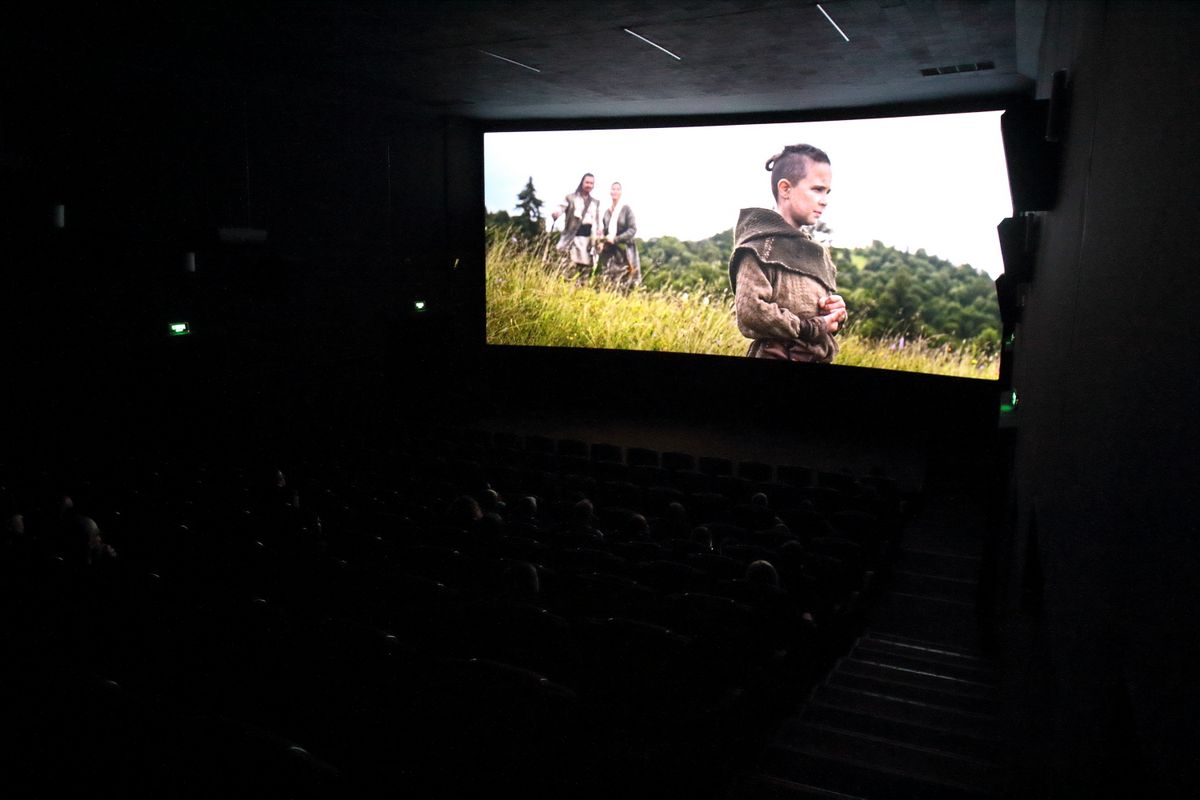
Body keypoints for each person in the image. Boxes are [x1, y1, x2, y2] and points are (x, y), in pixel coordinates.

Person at [729, 144, 848, 362]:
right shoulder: (760, 248)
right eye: (817, 189)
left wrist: (836, 313)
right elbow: (751, 313)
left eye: (827, 192)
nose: (824, 200)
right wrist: (812, 327)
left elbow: (823, 320)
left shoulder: (818, 253)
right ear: (785, 189)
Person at [551, 172, 603, 284]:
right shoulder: (571, 198)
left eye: (591, 183)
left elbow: (597, 222)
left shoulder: (595, 203)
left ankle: (580, 289)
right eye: (587, 182)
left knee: (584, 273)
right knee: (567, 271)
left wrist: (599, 239)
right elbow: (561, 207)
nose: (589, 185)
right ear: (582, 183)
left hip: (587, 241)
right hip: (572, 239)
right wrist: (556, 213)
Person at [598, 181, 641, 292]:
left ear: (621, 192)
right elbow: (605, 230)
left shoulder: (626, 210)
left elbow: (632, 229)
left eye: (618, 189)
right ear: (610, 192)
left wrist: (616, 239)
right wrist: (601, 239)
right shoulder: (607, 213)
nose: (615, 191)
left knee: (627, 282)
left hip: (624, 250)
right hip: (610, 252)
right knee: (610, 281)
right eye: (613, 189)